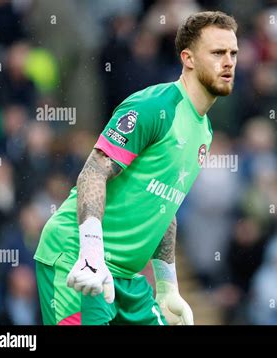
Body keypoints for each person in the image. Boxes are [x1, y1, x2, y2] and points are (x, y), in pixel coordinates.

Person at [34, 11, 239, 325]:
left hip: (127, 277)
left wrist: (168, 285)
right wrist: (90, 253)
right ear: (188, 58)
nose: (228, 62)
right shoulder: (154, 107)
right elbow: (93, 171)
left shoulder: (204, 132)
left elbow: (164, 205)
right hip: (76, 257)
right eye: (217, 52)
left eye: (233, 53)